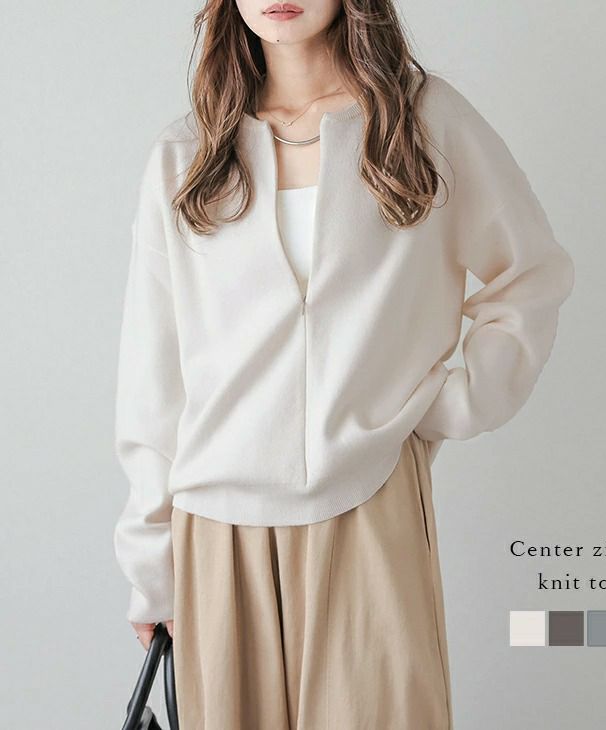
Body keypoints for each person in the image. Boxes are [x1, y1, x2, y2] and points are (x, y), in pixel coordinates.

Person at [112, 0, 575, 727]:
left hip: (369, 502)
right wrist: (151, 560)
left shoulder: (422, 123)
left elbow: (529, 275)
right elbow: (153, 372)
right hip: (217, 530)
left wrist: (454, 401)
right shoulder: (187, 155)